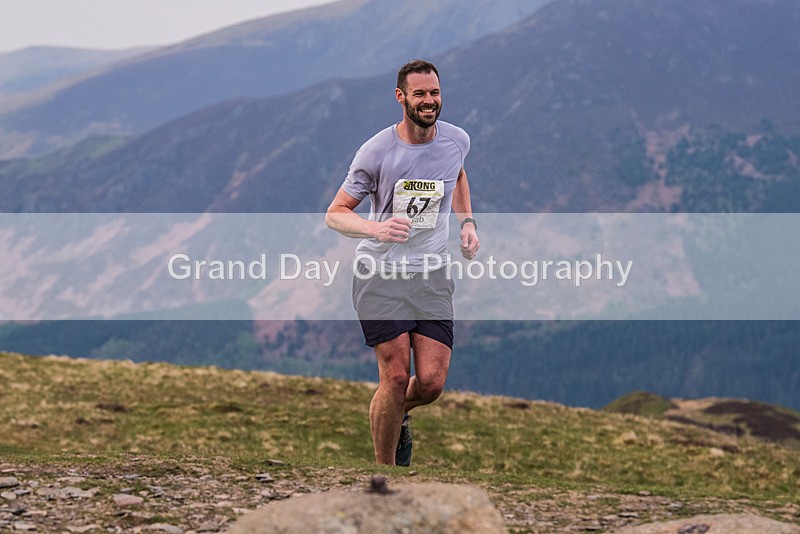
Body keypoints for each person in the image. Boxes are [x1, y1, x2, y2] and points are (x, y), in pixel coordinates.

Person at [326, 59, 479, 466]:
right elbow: (335, 212)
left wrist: (467, 224)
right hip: (379, 274)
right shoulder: (377, 151)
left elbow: (457, 176)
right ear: (401, 98)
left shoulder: (456, 140)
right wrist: (376, 230)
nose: (429, 102)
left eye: (435, 93)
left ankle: (397, 414)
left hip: (431, 275)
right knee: (394, 377)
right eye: (419, 94)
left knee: (429, 384)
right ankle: (385, 473)